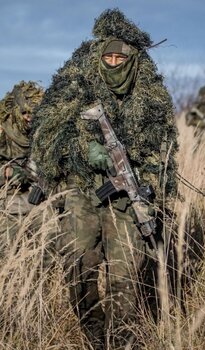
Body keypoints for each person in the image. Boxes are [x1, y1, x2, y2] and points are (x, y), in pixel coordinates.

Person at [31, 9, 178, 350]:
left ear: (133, 60)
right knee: (78, 265)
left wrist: (147, 184)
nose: (113, 63)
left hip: (127, 199)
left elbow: (164, 152)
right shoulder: (74, 86)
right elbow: (48, 134)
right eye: (108, 57)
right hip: (81, 192)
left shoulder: (152, 99)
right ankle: (93, 333)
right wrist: (86, 150)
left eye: (120, 58)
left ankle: (122, 339)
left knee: (126, 272)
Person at [0, 81, 44, 247]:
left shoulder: (42, 134)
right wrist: (7, 172)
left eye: (34, 113)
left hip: (37, 202)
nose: (29, 117)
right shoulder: (2, 132)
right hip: (7, 203)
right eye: (25, 112)